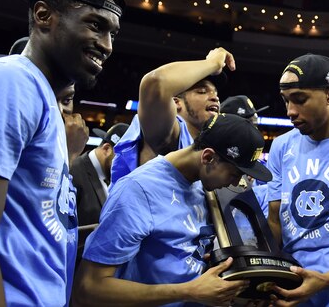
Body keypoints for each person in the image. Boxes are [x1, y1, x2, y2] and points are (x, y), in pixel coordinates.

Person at [0, 0, 123, 306]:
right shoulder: (9, 82)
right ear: (43, 15)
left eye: (113, 32)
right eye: (95, 25)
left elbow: (31, 226)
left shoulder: (43, 100)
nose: (108, 45)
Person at [73, 114, 272, 307]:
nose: (238, 182)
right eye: (235, 173)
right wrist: (189, 291)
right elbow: (89, 288)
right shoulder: (138, 191)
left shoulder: (202, 183)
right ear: (208, 157)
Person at [266, 53, 329, 306]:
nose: (290, 112)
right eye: (285, 101)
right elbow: (275, 223)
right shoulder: (281, 147)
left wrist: (328, 279)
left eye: (300, 99)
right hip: (290, 289)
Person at [110, 48, 233, 185]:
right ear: (176, 102)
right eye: (202, 92)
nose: (215, 98)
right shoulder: (172, 133)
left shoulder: (207, 146)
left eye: (216, 93)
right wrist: (212, 63)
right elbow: (156, 83)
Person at [220, 94, 270, 216]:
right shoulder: (213, 166)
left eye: (256, 125)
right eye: (251, 126)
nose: (257, 132)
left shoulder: (263, 167)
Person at [71, 123, 130, 226]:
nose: (128, 167)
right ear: (107, 149)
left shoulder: (116, 178)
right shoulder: (73, 173)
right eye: (124, 160)